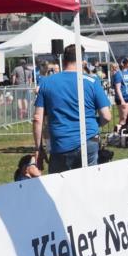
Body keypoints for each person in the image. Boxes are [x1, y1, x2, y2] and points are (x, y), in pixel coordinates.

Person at [32, 44, 112, 173]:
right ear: (82, 61)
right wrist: (92, 124)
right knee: (88, 181)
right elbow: (107, 116)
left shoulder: (46, 82)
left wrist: (38, 148)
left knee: (60, 183)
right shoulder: (92, 81)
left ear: (64, 60)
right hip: (89, 140)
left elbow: (37, 119)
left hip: (61, 142)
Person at [113, 57, 128, 132]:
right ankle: (117, 134)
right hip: (123, 98)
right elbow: (117, 88)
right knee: (123, 119)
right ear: (125, 64)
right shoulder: (119, 74)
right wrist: (122, 100)